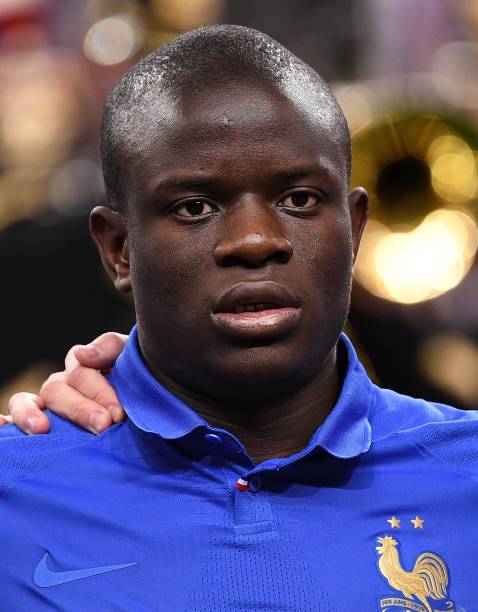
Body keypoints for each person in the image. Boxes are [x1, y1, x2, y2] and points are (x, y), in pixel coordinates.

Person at [3, 24, 478, 611]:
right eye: (195, 206)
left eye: (299, 199)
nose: (255, 240)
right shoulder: (14, 497)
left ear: (355, 230)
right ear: (118, 250)